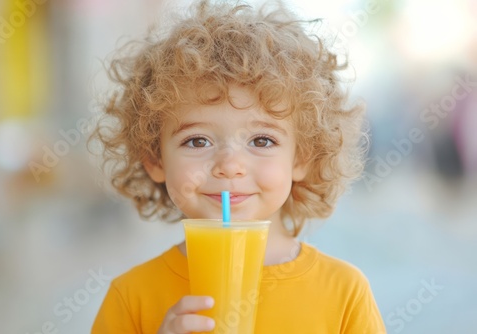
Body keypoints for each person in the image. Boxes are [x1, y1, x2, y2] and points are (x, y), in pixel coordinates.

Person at [90, 0, 386, 332]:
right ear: (155, 159)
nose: (229, 166)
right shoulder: (131, 298)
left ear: (302, 157)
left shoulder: (344, 293)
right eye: (197, 141)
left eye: (262, 141)